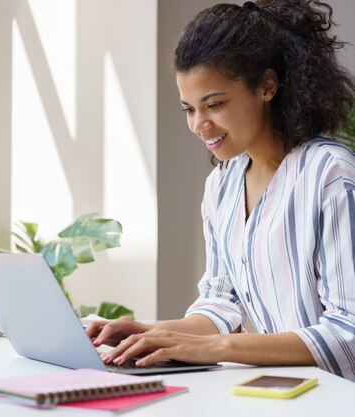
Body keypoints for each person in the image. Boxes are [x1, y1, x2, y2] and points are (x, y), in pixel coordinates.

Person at [86, 0, 355, 381]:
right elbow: (219, 305)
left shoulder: (330, 173)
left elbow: (348, 333)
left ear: (266, 86)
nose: (199, 124)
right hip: (284, 395)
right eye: (189, 109)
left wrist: (216, 349)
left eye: (214, 104)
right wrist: (153, 333)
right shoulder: (222, 185)